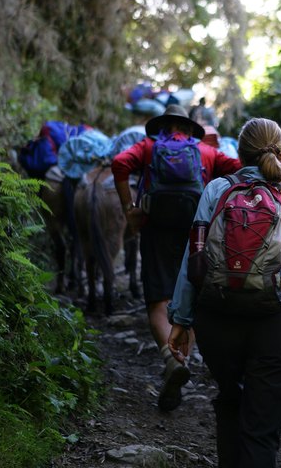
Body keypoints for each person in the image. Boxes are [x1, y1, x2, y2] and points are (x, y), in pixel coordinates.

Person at [167, 117, 281, 468]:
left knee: (230, 398)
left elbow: (192, 256)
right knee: (263, 425)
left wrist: (181, 318)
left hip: (216, 318)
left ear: (239, 155)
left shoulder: (216, 189)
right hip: (274, 321)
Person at [111, 105, 241, 412]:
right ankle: (183, 356)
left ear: (163, 126)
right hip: (196, 231)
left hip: (155, 229)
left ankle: (169, 359)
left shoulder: (148, 147)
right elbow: (238, 168)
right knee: (191, 297)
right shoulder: (204, 151)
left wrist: (130, 209)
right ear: (187, 127)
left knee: (159, 299)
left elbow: (118, 164)